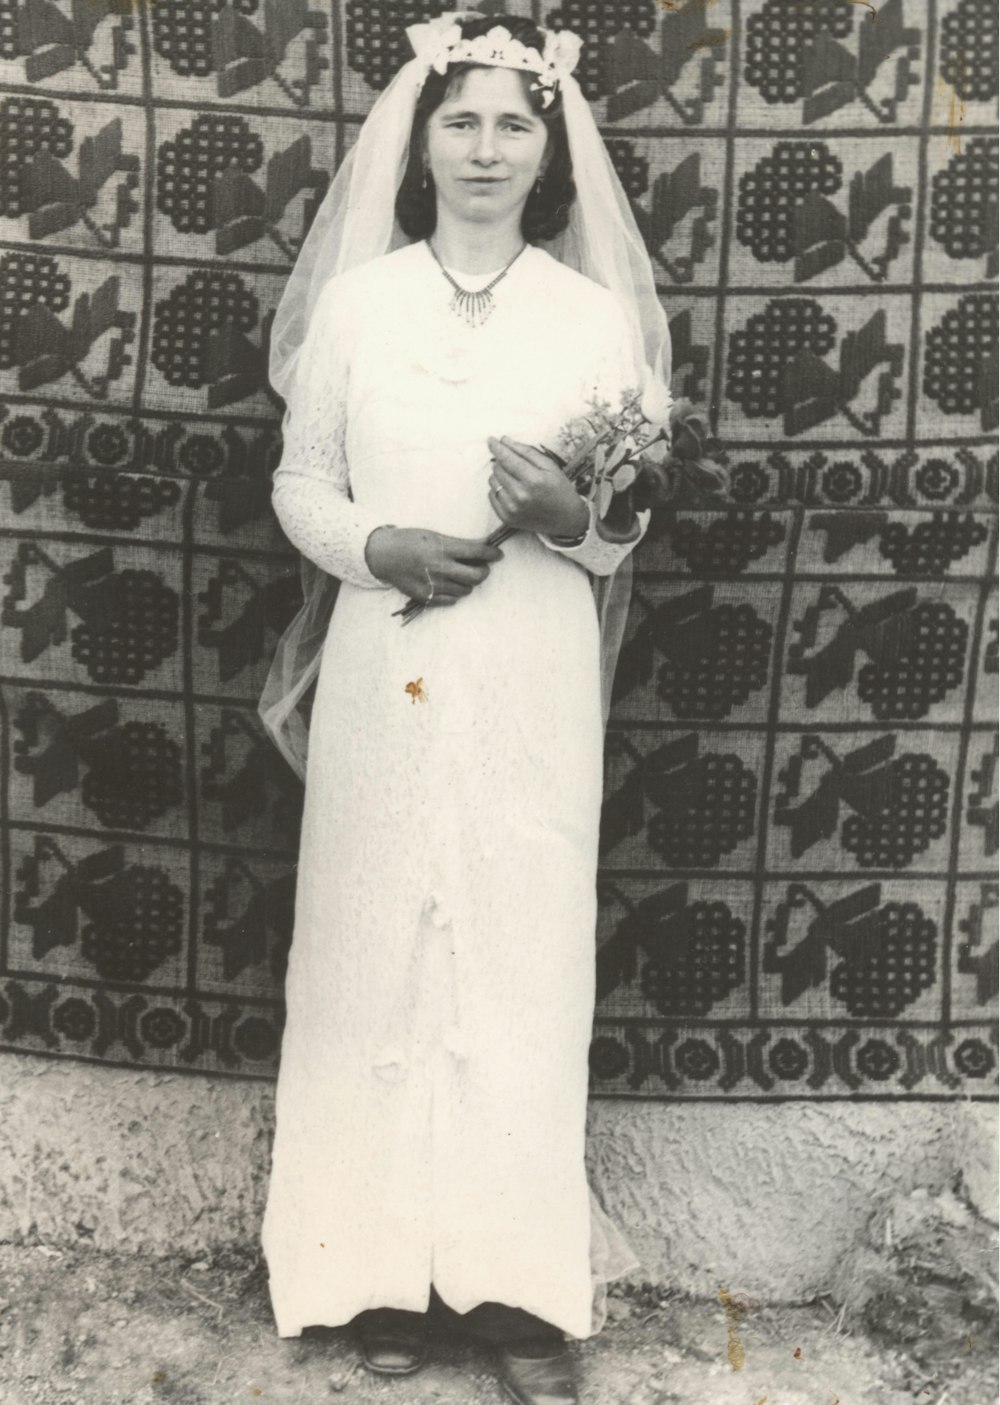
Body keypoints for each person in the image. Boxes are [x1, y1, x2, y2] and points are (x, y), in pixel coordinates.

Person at [257, 13, 671, 1405]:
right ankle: (377, 1277)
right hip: (395, 658)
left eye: (514, 124)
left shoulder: (589, 316)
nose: (486, 149)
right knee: (376, 936)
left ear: (550, 149)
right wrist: (377, 549)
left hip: (530, 669)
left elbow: (630, 517)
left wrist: (578, 513)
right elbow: (302, 485)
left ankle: (512, 1290)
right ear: (419, 140)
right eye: (463, 120)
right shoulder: (364, 307)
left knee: (517, 948)